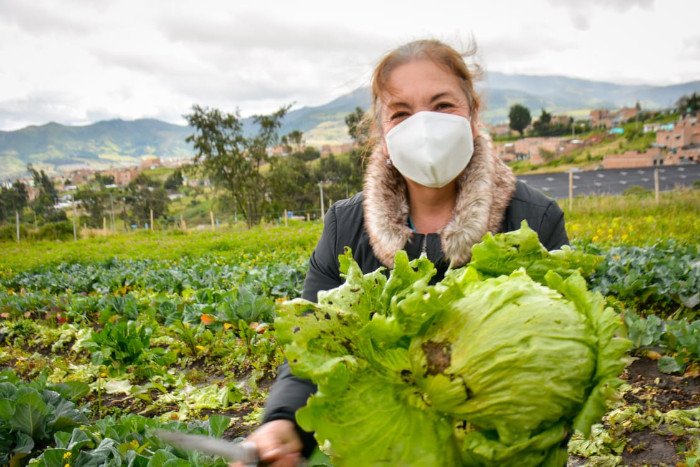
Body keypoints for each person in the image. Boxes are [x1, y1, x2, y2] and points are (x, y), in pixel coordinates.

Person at [237, 38, 568, 466]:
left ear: (473, 116)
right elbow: (313, 343)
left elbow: (556, 362)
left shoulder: (534, 220)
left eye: (443, 105)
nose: (424, 126)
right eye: (401, 113)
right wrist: (281, 420)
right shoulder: (346, 227)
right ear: (382, 131)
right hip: (382, 445)